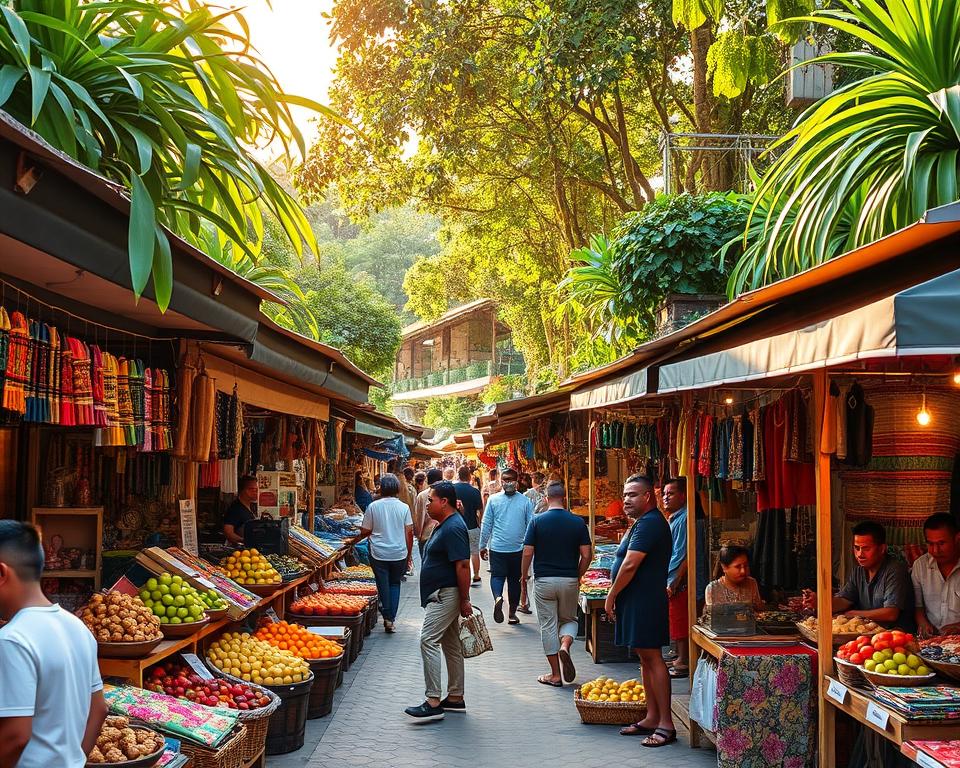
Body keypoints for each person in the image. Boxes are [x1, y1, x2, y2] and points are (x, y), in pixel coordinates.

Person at [0, 521, 108, 767]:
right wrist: (76, 759)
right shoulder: (77, 627)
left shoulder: (12, 639)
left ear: (2, 573)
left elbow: (15, 737)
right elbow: (99, 709)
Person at [605, 475, 675, 748]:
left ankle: (666, 723)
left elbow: (631, 565)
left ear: (648, 497)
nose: (626, 500)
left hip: (645, 601)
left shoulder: (650, 524)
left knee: (653, 657)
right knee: (645, 658)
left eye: (632, 495)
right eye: (625, 495)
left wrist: (611, 595)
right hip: (638, 600)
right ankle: (652, 715)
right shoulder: (642, 523)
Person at [405, 481, 473, 722]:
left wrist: (465, 599)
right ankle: (455, 697)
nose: (427, 504)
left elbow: (463, 565)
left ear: (444, 502)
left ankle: (433, 700)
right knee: (451, 644)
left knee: (428, 639)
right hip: (443, 592)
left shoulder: (453, 526)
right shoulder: (448, 523)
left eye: (431, 500)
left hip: (446, 593)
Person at [521, 481, 592, 687]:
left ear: (546, 499)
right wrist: (577, 575)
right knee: (569, 618)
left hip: (544, 580)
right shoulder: (578, 522)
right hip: (569, 580)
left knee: (548, 625)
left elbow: (527, 552)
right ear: (565, 499)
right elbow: (587, 554)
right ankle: (566, 644)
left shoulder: (536, 521)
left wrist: (523, 576)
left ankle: (555, 675)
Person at [825, 521, 915, 630]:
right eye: (857, 548)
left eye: (866, 549)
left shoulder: (895, 570)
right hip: (868, 635)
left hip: (896, 636)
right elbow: (844, 600)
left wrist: (854, 614)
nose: (859, 554)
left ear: (882, 549)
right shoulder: (858, 571)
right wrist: (821, 602)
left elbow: (891, 613)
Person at [359, 474, 414, 633]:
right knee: (395, 583)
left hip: (379, 552)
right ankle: (390, 618)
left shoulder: (373, 506)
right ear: (397, 488)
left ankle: (387, 614)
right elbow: (409, 533)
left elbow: (366, 530)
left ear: (381, 488)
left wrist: (360, 534)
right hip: (399, 552)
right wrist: (409, 554)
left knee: (382, 583)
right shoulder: (403, 507)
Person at [480, 468, 534, 625]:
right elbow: (531, 525)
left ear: (517, 481)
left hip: (498, 548)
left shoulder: (493, 499)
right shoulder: (525, 501)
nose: (508, 483)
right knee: (514, 581)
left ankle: (498, 597)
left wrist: (483, 545)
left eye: (510, 479)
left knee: (497, 576)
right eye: (505, 480)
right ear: (501, 482)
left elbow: (486, 524)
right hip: (517, 549)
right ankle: (512, 614)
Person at [661, 478, 699, 678]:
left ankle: (683, 660)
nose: (666, 497)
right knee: (675, 617)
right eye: (664, 494)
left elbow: (682, 553)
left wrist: (673, 578)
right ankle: (678, 655)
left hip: (678, 577)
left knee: (680, 617)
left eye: (671, 493)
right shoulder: (676, 517)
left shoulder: (684, 519)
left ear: (683, 496)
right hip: (672, 574)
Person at [913, 512, 960, 638]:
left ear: (957, 538)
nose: (935, 550)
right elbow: (918, 605)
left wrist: (958, 627)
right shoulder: (920, 565)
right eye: (930, 544)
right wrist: (922, 623)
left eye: (941, 543)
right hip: (933, 641)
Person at [453, 465, 484, 585]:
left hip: (456, 527)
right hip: (472, 525)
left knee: (459, 553)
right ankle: (476, 576)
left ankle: (460, 577)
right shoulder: (475, 491)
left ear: (458, 475)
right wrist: (480, 523)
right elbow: (480, 510)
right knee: (474, 552)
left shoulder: (452, 489)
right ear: (470, 476)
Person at [413, 468, 444, 560]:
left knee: (426, 563)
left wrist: (418, 534)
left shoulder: (422, 495)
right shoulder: (446, 494)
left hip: (426, 535)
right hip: (443, 534)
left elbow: (418, 516)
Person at [223, 474, 258, 545]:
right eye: (251, 489)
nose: (255, 492)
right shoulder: (235, 509)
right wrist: (244, 541)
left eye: (256, 489)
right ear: (242, 490)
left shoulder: (251, 507)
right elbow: (228, 532)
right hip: (239, 551)